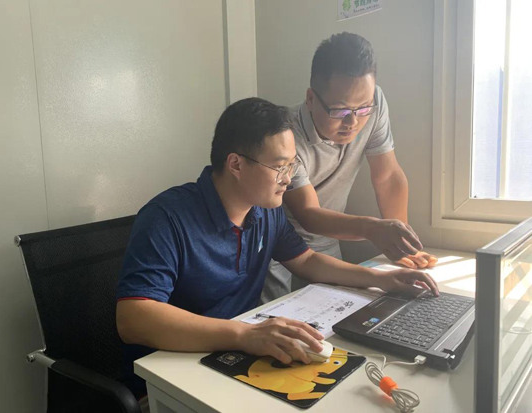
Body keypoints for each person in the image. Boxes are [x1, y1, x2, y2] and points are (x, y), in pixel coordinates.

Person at [116, 97, 438, 401]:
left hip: (234, 358)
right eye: (280, 167)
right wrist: (244, 335)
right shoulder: (166, 218)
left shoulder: (265, 211)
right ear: (236, 164)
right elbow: (133, 319)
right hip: (168, 375)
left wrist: (382, 279)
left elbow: (306, 261)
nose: (289, 179)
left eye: (292, 165)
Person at [261, 32, 438, 304]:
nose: (353, 122)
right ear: (311, 98)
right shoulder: (287, 135)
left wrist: (399, 241)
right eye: (340, 111)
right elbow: (308, 213)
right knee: (276, 318)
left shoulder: (375, 103)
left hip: (329, 238)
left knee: (336, 312)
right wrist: (373, 229)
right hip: (278, 248)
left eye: (363, 109)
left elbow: (387, 176)